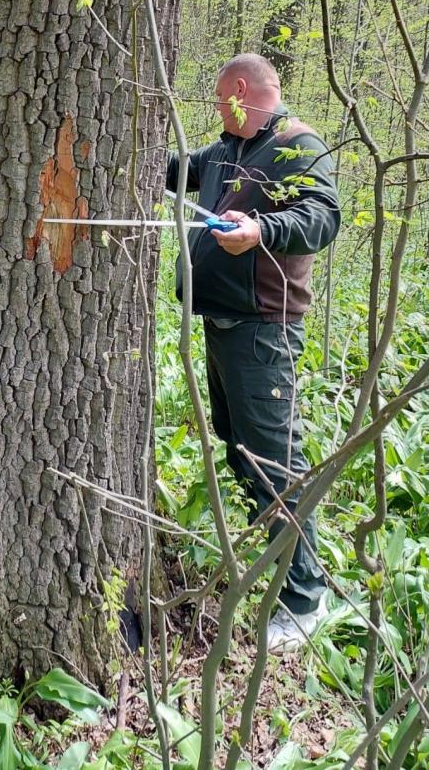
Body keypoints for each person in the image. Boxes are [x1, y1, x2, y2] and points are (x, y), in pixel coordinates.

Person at [166, 53, 341, 654]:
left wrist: (260, 231)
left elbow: (322, 216)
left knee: (272, 458)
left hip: (264, 328)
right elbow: (177, 170)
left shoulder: (297, 145)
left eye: (219, 99)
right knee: (235, 441)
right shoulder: (225, 152)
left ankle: (305, 595)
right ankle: (266, 553)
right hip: (222, 322)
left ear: (240, 91)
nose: (217, 111)